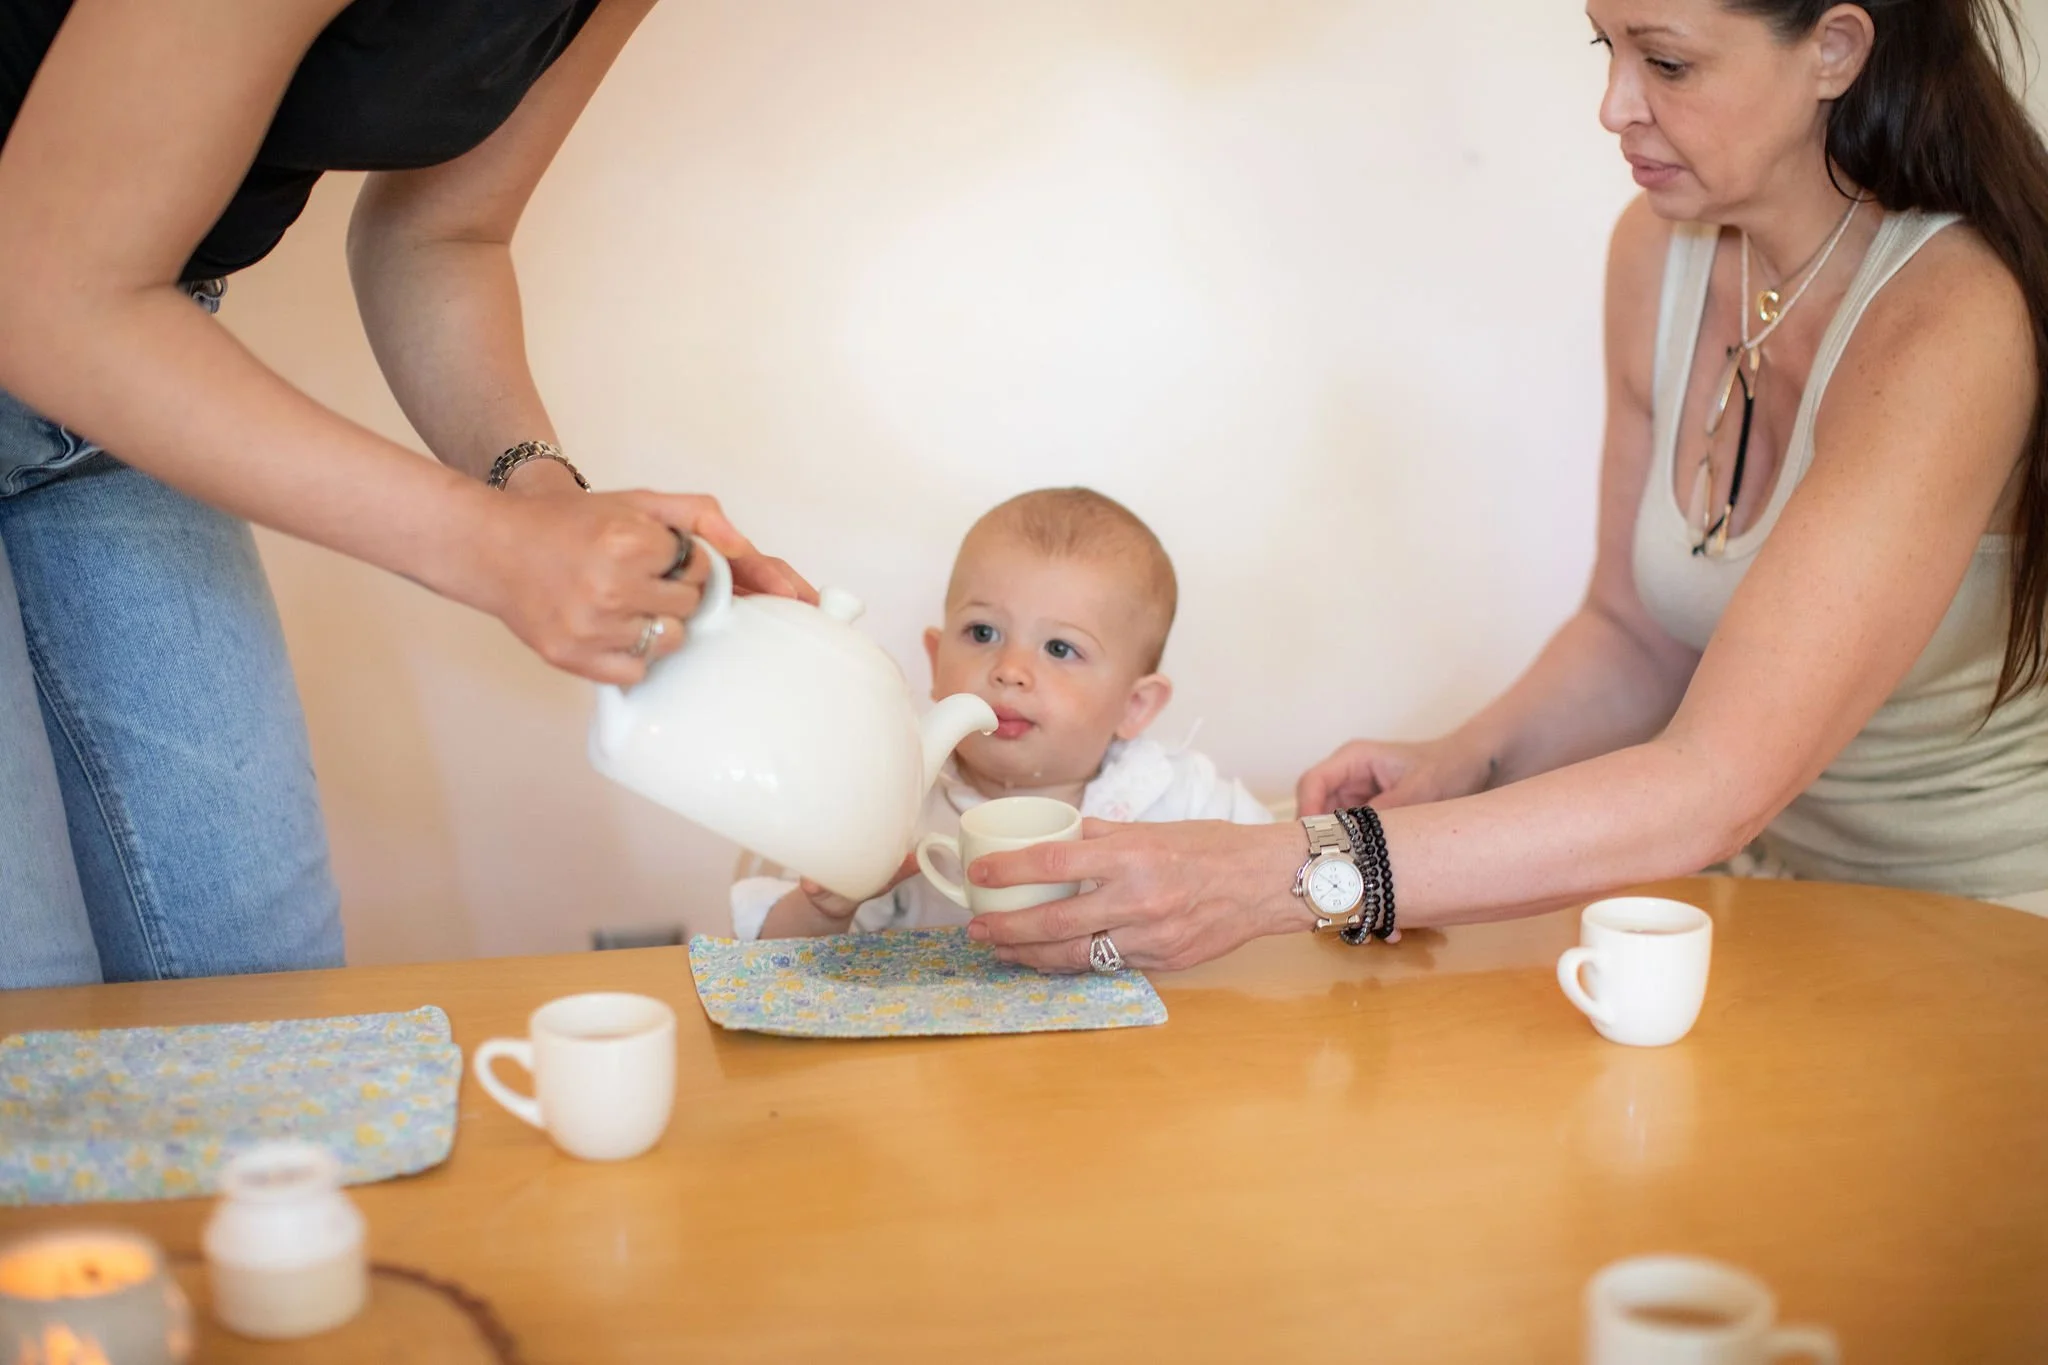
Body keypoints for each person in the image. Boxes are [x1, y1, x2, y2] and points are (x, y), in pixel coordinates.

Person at [965, 0, 2048, 974]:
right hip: (1773, 906)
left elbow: (1714, 785)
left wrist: (1270, 875)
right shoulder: (1659, 248)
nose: (1612, 106)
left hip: (1989, 926)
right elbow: (1637, 632)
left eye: (1664, 62)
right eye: (1605, 48)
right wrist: (1464, 757)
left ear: (1833, 48)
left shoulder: (1947, 319)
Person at [0, 1, 808, 988]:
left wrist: (539, 499)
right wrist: (485, 548)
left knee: (261, 1000)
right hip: (69, 310)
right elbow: (44, 293)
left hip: (125, 356)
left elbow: (443, 236)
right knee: (26, 1009)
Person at [731, 487, 1272, 940]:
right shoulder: (897, 802)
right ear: (936, 661)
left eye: (1060, 649)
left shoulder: (1183, 798)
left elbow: (1289, 884)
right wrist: (828, 908)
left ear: (1135, 706)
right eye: (983, 633)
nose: (1010, 669)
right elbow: (767, 960)